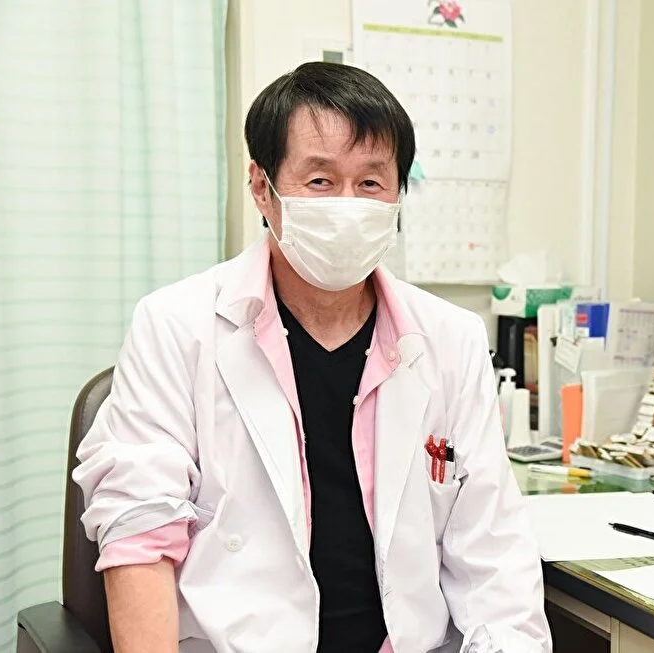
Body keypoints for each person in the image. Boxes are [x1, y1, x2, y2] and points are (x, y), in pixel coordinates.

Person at [73, 62, 551, 653]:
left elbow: (493, 551)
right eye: (320, 180)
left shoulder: (451, 339)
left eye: (371, 183)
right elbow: (140, 529)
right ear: (262, 187)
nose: (348, 205)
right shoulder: (176, 325)